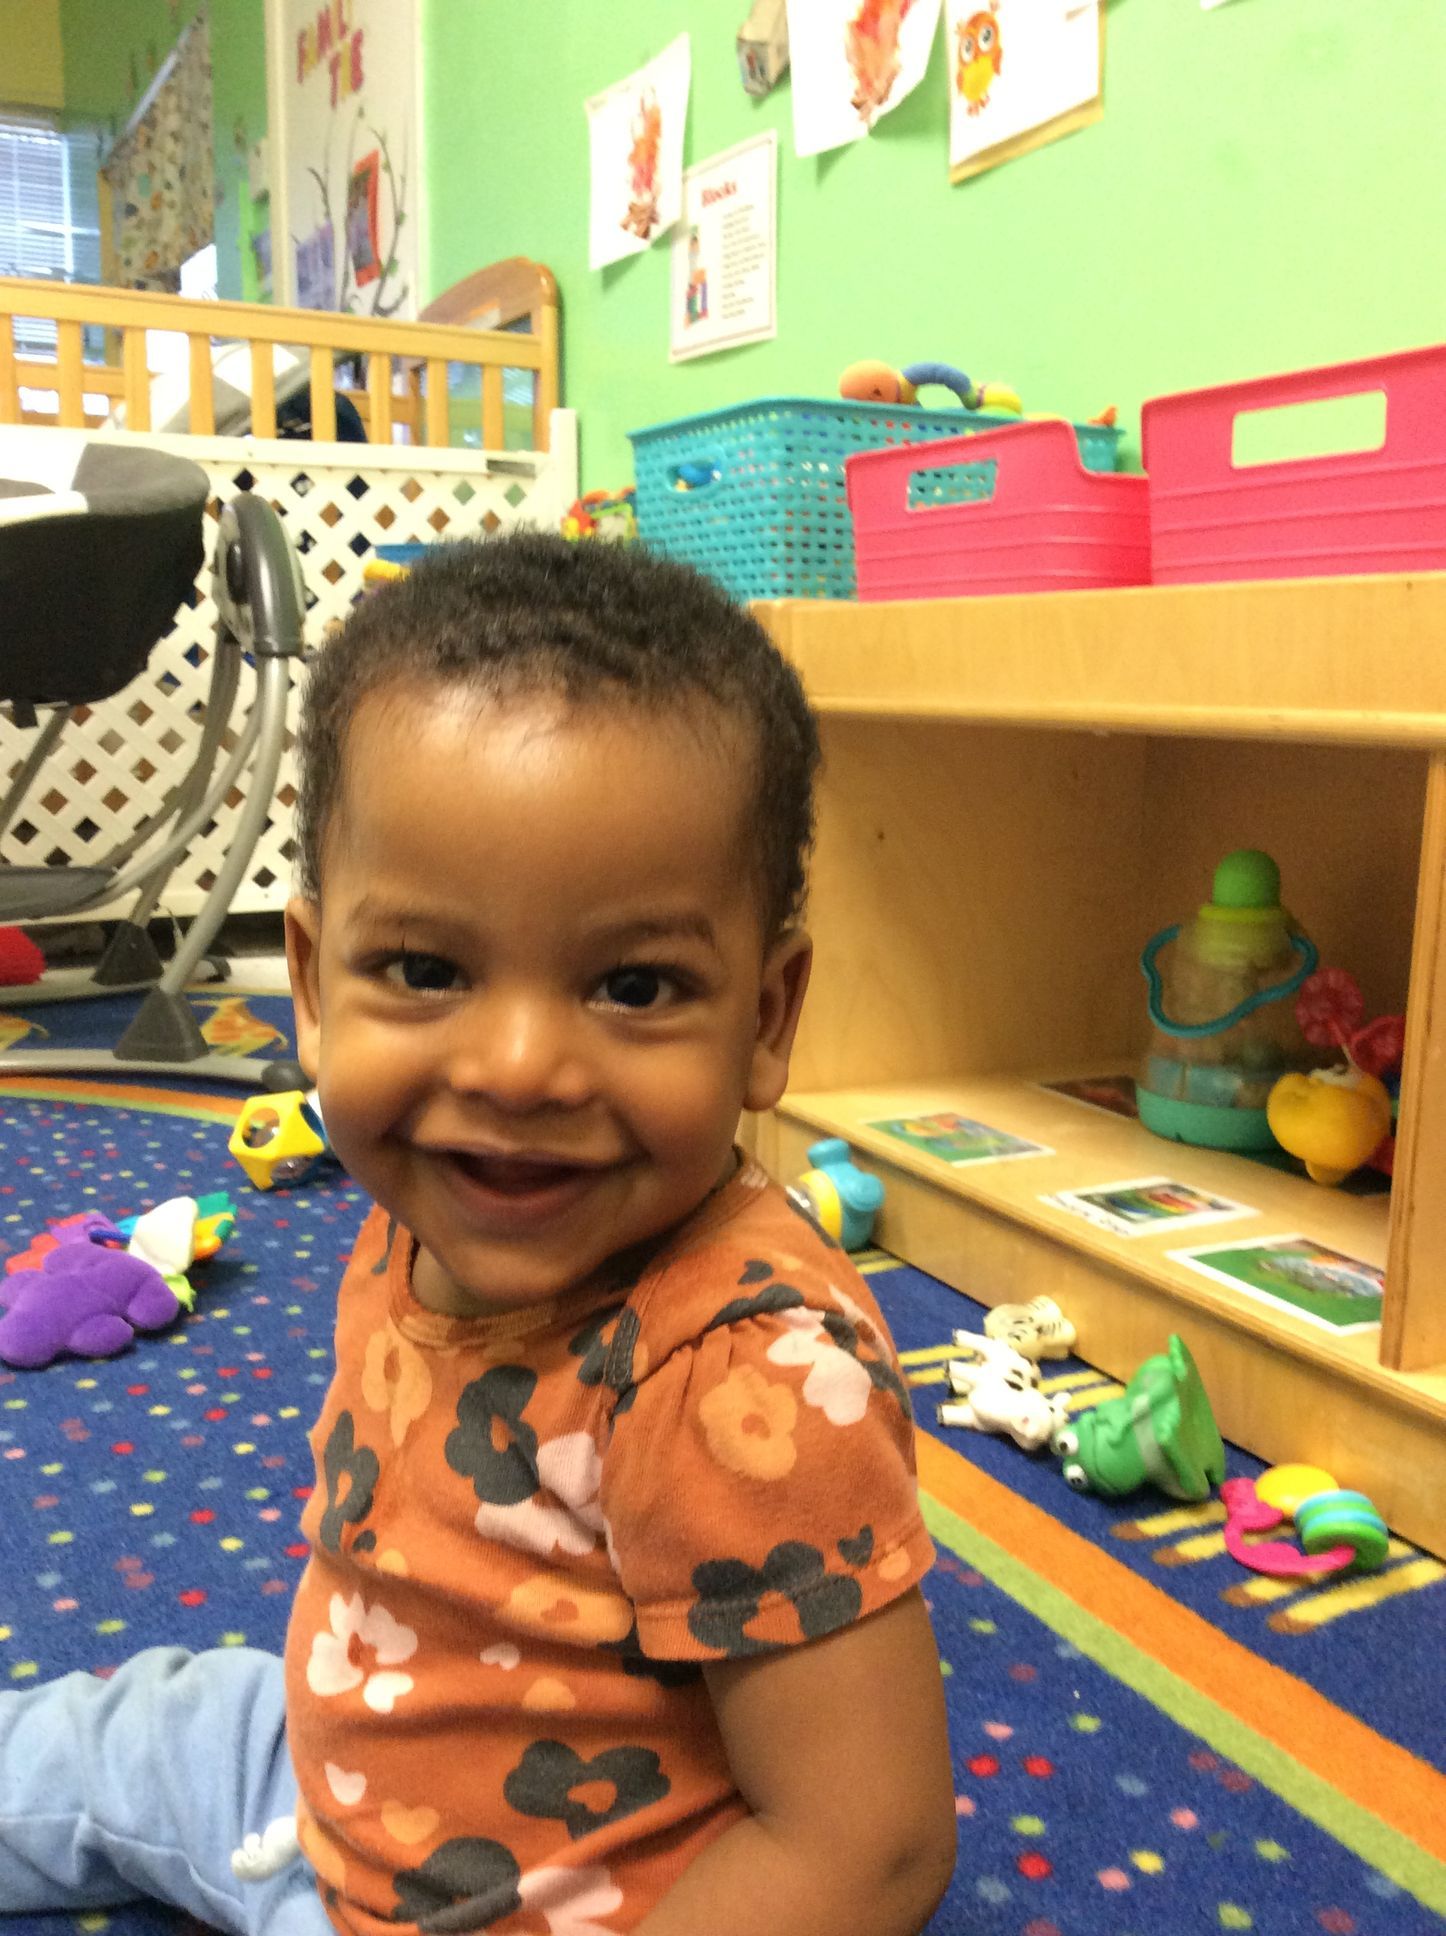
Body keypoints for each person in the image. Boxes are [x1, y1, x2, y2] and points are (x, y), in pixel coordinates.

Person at [0, 533, 957, 1936]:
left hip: (512, 1903)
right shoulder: (440, 1185)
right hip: (333, 1738)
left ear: (763, 1019)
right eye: (426, 970)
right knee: (105, 1733)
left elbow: (864, 1847)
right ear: (314, 987)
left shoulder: (743, 1378)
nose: (515, 1067)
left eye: (633, 984)